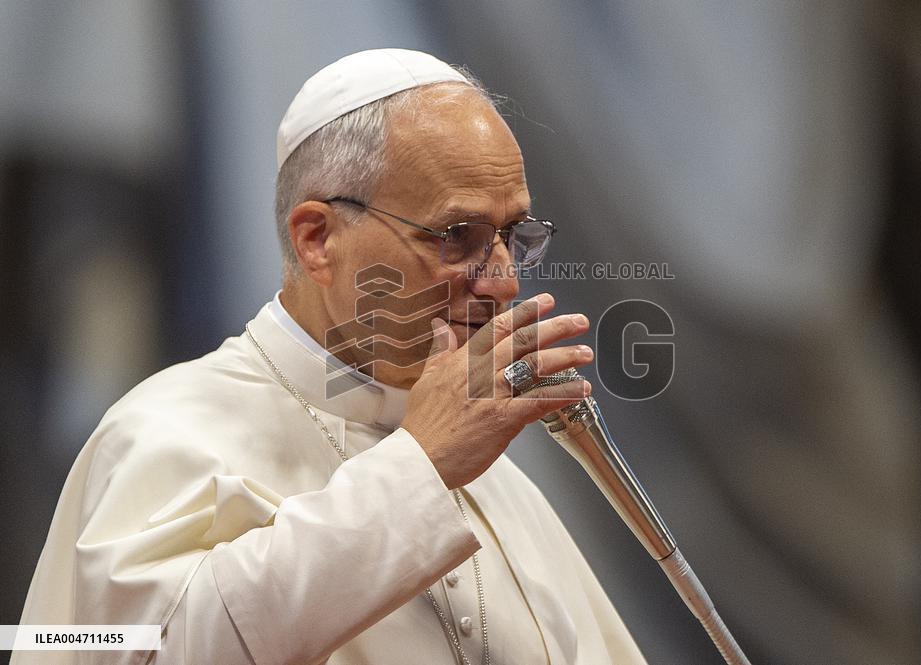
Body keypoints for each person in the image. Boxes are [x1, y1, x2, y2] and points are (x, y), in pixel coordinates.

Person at [14, 49, 648, 665]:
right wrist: (419, 470)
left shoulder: (502, 488)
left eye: (513, 237)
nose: (504, 282)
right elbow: (135, 651)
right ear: (318, 239)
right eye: (459, 236)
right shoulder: (163, 431)